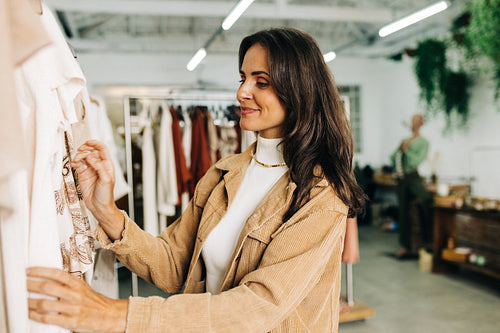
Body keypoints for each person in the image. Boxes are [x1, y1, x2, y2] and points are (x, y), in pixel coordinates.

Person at [27, 27, 366, 332]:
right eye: (243, 78)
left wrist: (116, 314)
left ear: (300, 91)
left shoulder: (320, 193)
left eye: (261, 82)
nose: (242, 92)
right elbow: (175, 264)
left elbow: (260, 306)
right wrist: (105, 210)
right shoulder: (225, 172)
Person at [390, 113, 432, 259]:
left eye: (416, 120)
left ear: (421, 123)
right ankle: (405, 246)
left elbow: (416, 161)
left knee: (426, 200)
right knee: (403, 211)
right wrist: (401, 149)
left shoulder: (424, 142)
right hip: (402, 178)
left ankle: (427, 241)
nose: (413, 123)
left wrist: (407, 151)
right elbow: (392, 157)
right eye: (412, 120)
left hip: (413, 177)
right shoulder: (405, 140)